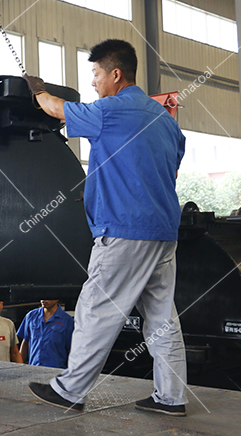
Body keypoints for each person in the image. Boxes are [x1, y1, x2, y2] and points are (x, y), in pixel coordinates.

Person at [23, 39, 188, 416]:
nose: (94, 83)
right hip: (163, 233)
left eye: (96, 74)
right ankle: (171, 398)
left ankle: (70, 391)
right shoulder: (164, 117)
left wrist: (37, 89)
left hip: (125, 230)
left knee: (96, 309)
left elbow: (56, 110)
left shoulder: (110, 111)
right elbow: (170, 166)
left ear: (116, 74)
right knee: (162, 320)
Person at [17, 300, 74, 369]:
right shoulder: (31, 316)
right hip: (34, 370)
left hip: (56, 371)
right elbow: (26, 342)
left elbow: (71, 350)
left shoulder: (67, 320)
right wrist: (19, 367)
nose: (44, 299)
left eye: (48, 296)